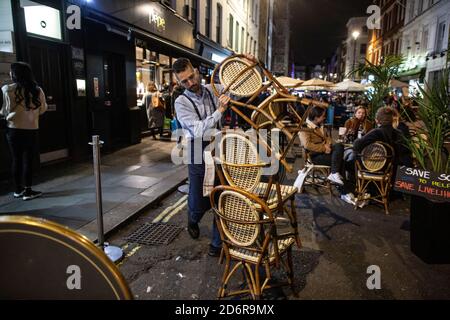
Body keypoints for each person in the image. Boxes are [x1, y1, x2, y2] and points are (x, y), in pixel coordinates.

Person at [173, 57, 234, 257]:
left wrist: (251, 62)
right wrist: (219, 111)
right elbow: (198, 130)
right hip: (197, 150)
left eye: (192, 77)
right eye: (184, 81)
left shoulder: (212, 89)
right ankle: (193, 218)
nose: (191, 83)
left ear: (196, 71)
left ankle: (217, 243)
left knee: (221, 193)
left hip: (218, 147)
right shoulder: (181, 102)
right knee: (199, 199)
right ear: (178, 83)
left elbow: (237, 87)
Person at [1, 62, 47, 200]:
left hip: (13, 129)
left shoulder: (7, 89)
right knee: (28, 159)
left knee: (16, 159)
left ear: (14, 74)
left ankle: (17, 190)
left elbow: (4, 110)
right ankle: (28, 191)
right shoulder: (37, 90)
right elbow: (43, 109)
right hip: (31, 128)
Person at [299, 106, 345, 186]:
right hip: (314, 156)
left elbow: (328, 138)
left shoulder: (320, 125)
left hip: (325, 152)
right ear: (316, 117)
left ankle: (334, 175)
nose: (324, 118)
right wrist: (324, 148)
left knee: (339, 145)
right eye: (323, 116)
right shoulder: (304, 127)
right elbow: (307, 145)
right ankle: (344, 190)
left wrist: (328, 144)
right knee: (341, 161)